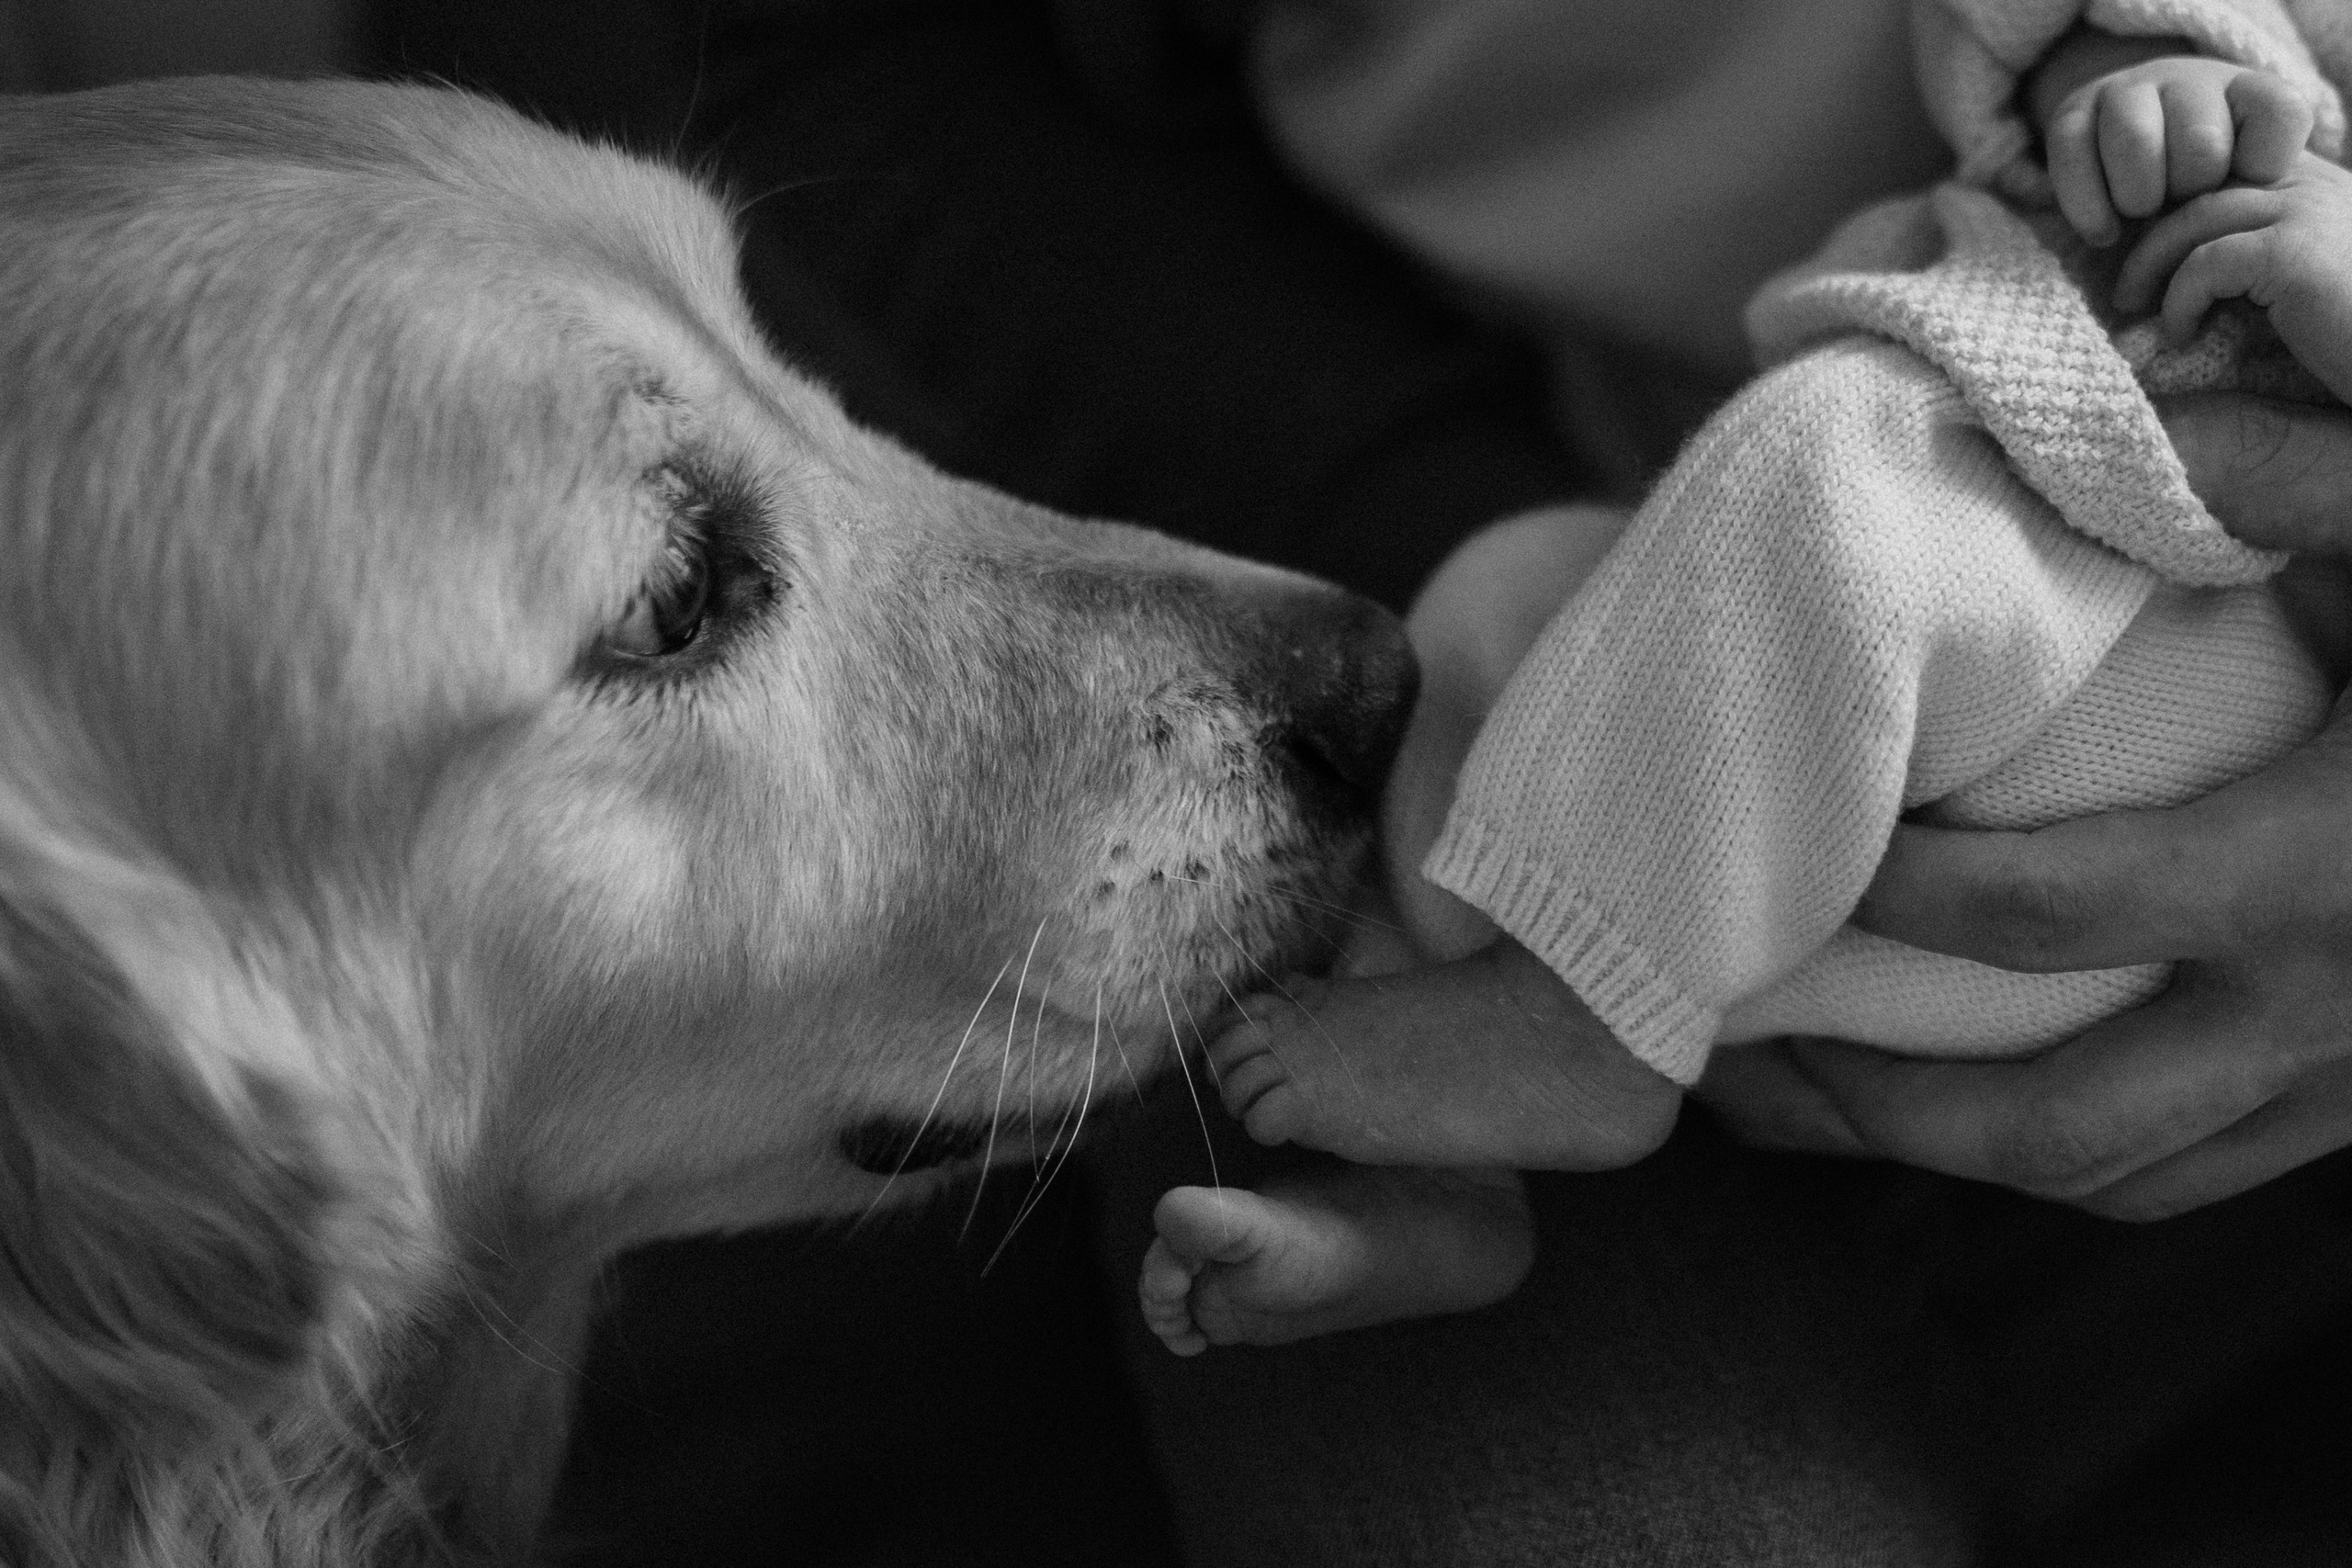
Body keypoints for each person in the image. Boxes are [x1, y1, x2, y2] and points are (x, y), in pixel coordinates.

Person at [1140, 10, 2352, 1356]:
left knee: (1827, 478)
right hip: (1878, 899)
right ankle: (1448, 1176)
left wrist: (2241, 108)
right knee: (1509, 609)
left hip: (2180, 637)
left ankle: (1573, 1023)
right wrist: (2138, 69)